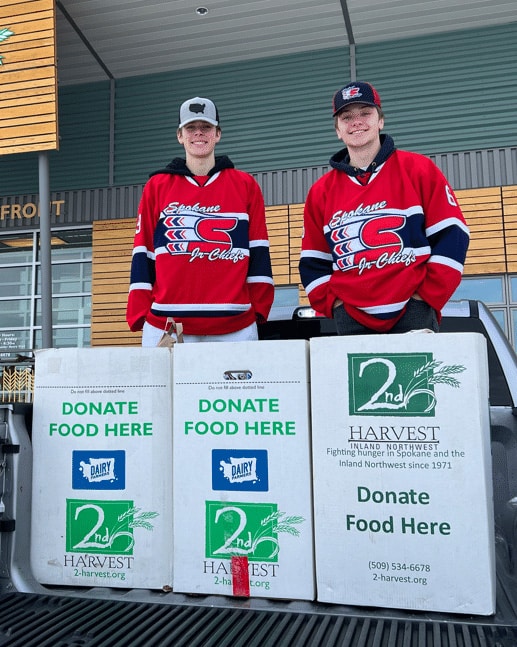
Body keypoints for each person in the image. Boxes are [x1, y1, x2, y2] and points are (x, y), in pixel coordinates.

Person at [299, 81, 470, 335]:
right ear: (338, 130)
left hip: (413, 312)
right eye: (347, 117)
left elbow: (453, 234)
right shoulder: (320, 192)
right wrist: (336, 305)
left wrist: (426, 296)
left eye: (365, 113)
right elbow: (313, 261)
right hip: (350, 318)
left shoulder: (419, 170)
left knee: (416, 377)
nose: (356, 122)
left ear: (380, 120)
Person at [126, 96, 274, 345]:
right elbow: (143, 252)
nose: (199, 134)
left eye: (206, 127)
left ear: (217, 134)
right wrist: (141, 312)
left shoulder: (245, 185)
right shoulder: (157, 186)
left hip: (235, 325)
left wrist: (258, 308)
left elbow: (259, 251)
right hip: (168, 325)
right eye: (190, 128)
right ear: (180, 136)